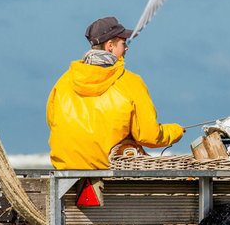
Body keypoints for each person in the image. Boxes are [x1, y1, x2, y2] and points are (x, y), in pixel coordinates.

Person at [47, 16, 184, 169]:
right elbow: (149, 136)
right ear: (110, 46)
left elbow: (53, 122)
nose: (127, 48)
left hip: (67, 171)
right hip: (109, 171)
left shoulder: (63, 81)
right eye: (123, 43)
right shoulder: (130, 82)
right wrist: (176, 131)